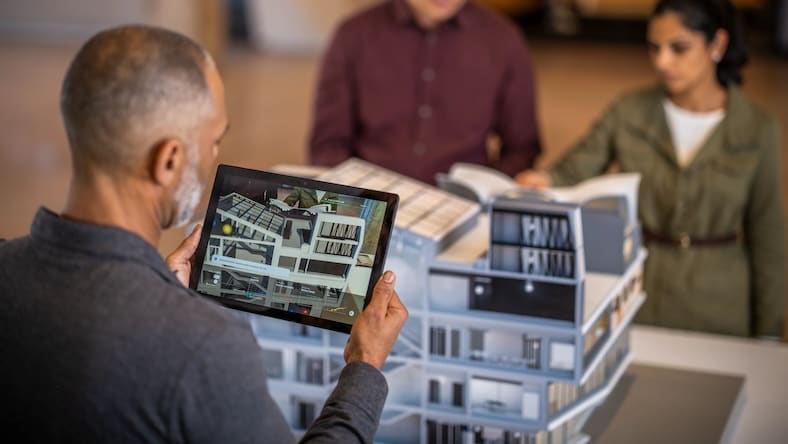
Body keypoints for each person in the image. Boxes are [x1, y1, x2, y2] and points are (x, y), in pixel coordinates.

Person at [0, 25, 408, 442]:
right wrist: (365, 364)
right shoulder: (204, 345)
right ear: (169, 161)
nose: (216, 156)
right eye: (214, 141)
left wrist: (155, 290)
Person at [517, 0, 784, 338]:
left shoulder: (758, 129)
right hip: (640, 298)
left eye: (679, 48)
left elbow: (769, 240)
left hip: (720, 310)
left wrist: (770, 334)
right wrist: (542, 181)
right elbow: (573, 170)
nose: (662, 62)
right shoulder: (628, 111)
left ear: (717, 44)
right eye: (655, 48)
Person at [309, 0, 541, 184]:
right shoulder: (354, 34)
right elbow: (328, 145)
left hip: (464, 201)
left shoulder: (503, 39)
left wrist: (486, 193)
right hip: (371, 198)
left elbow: (521, 148)